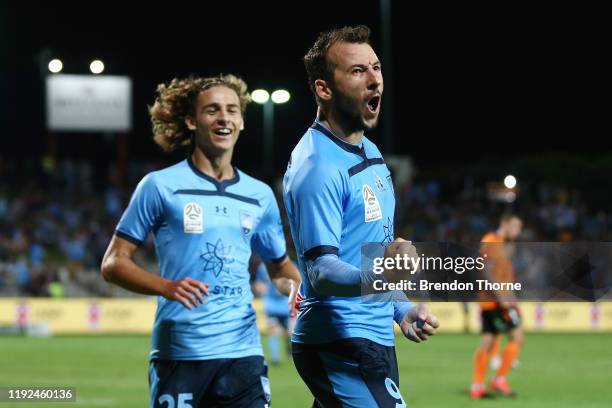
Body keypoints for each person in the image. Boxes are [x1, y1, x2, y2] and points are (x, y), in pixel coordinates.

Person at [101, 74, 300, 408]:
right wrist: (166, 287)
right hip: (180, 353)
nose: (224, 117)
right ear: (192, 121)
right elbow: (113, 263)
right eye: (212, 110)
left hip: (243, 354)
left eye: (232, 110)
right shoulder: (159, 186)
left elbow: (279, 269)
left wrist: (301, 292)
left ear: (241, 122)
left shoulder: (259, 195)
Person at [283, 25, 440, 407]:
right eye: (357, 71)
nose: (375, 80)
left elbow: (368, 249)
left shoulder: (369, 152)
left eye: (376, 67)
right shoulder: (317, 166)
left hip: (372, 336)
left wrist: (401, 308)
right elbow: (320, 272)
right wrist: (384, 276)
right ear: (324, 89)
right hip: (338, 340)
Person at [471, 213, 524, 399]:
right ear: (505, 223)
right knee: (517, 337)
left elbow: (503, 275)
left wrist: (512, 298)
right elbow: (484, 267)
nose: (518, 232)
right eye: (516, 227)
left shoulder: (503, 245)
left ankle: (477, 386)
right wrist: (501, 295)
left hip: (495, 300)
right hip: (493, 300)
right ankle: (498, 379)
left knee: (487, 341)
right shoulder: (491, 240)